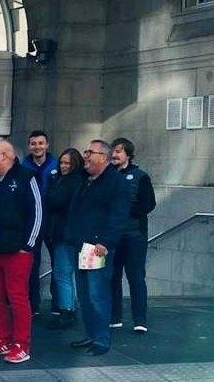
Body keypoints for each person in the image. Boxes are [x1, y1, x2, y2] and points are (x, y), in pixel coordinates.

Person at [0, 140, 42, 364]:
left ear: (5, 156)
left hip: (16, 252)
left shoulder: (26, 177)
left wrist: (27, 246)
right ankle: (2, 338)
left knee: (17, 297)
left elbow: (38, 213)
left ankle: (22, 343)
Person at [66, 139, 129, 356]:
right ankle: (91, 334)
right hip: (80, 245)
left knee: (97, 294)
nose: (85, 156)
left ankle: (101, 339)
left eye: (89, 152)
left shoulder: (115, 182)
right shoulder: (87, 179)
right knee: (84, 294)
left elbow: (118, 215)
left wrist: (105, 241)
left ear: (103, 157)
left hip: (96, 247)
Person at [110, 137, 156, 333]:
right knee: (113, 277)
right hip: (112, 236)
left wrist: (126, 210)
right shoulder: (107, 176)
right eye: (113, 151)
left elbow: (149, 204)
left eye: (119, 151)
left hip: (134, 235)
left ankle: (140, 320)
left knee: (136, 278)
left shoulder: (140, 176)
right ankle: (115, 317)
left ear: (128, 154)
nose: (115, 154)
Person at [44, 148, 85, 330]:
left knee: (62, 273)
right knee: (64, 273)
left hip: (65, 234)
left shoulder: (70, 183)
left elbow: (54, 201)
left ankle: (67, 310)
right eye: (62, 162)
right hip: (65, 233)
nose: (63, 166)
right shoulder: (74, 181)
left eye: (67, 163)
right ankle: (68, 308)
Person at [21, 130, 59, 315]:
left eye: (41, 143)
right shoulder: (23, 166)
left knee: (57, 263)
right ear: (29, 146)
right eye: (34, 143)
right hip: (32, 222)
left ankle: (57, 304)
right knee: (31, 265)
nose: (37, 147)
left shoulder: (57, 165)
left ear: (47, 145)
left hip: (52, 221)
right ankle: (32, 305)